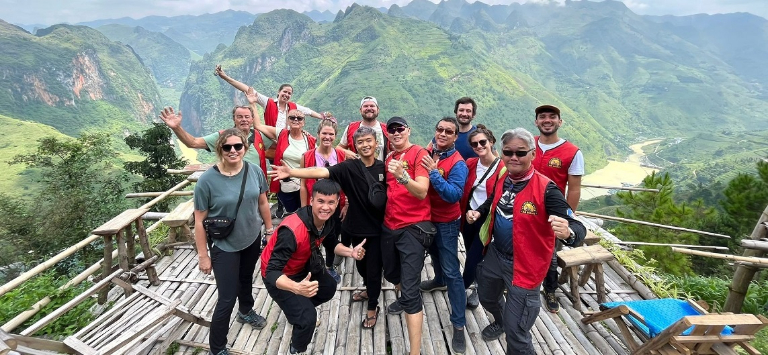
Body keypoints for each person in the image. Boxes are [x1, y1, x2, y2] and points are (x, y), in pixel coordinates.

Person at [466, 128, 586, 354]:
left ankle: (509, 326)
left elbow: (577, 226)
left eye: (520, 153)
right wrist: (479, 212)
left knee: (518, 333)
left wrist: (568, 232)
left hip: (525, 266)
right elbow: (493, 200)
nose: (513, 157)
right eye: (508, 152)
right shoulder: (504, 177)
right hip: (495, 255)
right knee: (486, 297)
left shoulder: (546, 189)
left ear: (532, 154)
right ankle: (501, 320)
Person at [268, 125, 386, 328]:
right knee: (361, 266)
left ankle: (372, 307)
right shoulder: (349, 167)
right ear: (354, 146)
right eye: (360, 142)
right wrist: (292, 171)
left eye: (369, 141)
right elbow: (321, 171)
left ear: (376, 143)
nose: (365, 145)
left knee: (374, 270)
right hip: (356, 228)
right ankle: (368, 289)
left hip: (377, 230)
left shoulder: (384, 168)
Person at [260, 179, 367, 355]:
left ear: (337, 203)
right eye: (321, 201)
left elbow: (332, 243)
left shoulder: (329, 220)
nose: (326, 207)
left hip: (302, 266)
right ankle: (297, 349)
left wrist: (351, 252)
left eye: (331, 202)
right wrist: (296, 288)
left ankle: (298, 311)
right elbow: (271, 272)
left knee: (329, 287)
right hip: (279, 275)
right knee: (308, 320)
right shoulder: (292, 231)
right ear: (311, 201)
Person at [192, 129, 273, 355]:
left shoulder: (255, 171)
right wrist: (203, 255)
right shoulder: (207, 181)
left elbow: (263, 202)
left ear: (245, 148)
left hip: (251, 238)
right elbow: (199, 221)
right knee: (226, 298)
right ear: (220, 149)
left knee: (246, 278)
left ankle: (246, 311)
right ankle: (217, 348)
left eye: (238, 146)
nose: (233, 151)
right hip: (224, 245)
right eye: (227, 147)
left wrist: (268, 229)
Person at [418, 117, 469, 354]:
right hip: (427, 217)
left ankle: (458, 324)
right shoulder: (431, 151)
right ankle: (437, 281)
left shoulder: (458, 164)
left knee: (452, 270)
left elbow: (453, 195)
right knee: (435, 254)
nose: (443, 134)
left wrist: (434, 173)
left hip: (447, 222)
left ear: (456, 137)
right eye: (440, 129)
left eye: (449, 131)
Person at [381, 117, 431, 355]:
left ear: (408, 131)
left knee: (410, 290)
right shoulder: (389, 157)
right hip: (389, 226)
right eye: (391, 129)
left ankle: (415, 352)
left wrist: (403, 175)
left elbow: (422, 192)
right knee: (391, 272)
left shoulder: (418, 154)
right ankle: (404, 294)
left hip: (413, 227)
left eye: (400, 128)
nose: (396, 132)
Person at [532, 104, 585, 314]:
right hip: (524, 208)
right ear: (536, 122)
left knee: (550, 254)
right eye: (542, 117)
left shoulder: (572, 152)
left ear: (559, 122)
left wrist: (567, 219)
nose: (547, 120)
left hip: (552, 213)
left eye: (552, 117)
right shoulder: (528, 144)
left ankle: (550, 289)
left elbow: (574, 189)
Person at [248, 88, 316, 217]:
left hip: (306, 185)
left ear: (303, 122)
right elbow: (258, 126)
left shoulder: (310, 140)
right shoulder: (282, 134)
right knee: (292, 214)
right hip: (287, 185)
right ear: (288, 120)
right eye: (292, 118)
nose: (296, 120)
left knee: (305, 215)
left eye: (299, 118)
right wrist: (253, 103)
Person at [458, 125, 502, 310]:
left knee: (475, 257)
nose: (479, 146)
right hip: (468, 218)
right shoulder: (470, 163)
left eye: (483, 142)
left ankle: (460, 288)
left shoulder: (502, 168)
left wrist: (479, 212)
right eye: (475, 144)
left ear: (491, 142)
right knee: (471, 252)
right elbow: (466, 190)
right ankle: (476, 285)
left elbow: (496, 197)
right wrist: (468, 212)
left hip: (486, 219)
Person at [159, 105, 270, 174]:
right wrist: (177, 128)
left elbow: (282, 146)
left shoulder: (261, 136)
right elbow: (193, 143)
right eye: (239, 117)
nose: (244, 120)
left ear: (252, 119)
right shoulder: (223, 136)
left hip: (256, 186)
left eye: (247, 117)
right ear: (234, 119)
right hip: (229, 184)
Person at [300, 119, 346, 283]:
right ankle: (312, 268)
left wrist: (346, 203)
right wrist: (304, 209)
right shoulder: (307, 156)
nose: (327, 137)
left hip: (335, 205)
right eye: (324, 133)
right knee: (312, 238)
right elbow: (303, 185)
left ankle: (328, 266)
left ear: (335, 136)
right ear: (318, 134)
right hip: (315, 206)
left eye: (331, 134)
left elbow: (346, 181)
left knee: (332, 235)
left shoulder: (340, 155)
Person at [215, 65, 323, 132]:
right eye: (284, 92)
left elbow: (308, 111)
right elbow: (248, 89)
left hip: (286, 141)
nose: (286, 95)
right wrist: (225, 77)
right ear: (278, 92)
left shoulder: (293, 107)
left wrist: (322, 117)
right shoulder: (269, 103)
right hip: (270, 140)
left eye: (289, 93)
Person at [337, 96, 389, 160]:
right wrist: (346, 152)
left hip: (381, 168)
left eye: (372, 106)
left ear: (378, 110)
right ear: (360, 110)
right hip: (356, 169)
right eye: (365, 106)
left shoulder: (386, 129)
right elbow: (339, 148)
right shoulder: (351, 128)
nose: (369, 108)